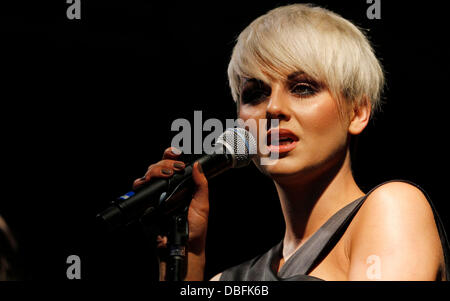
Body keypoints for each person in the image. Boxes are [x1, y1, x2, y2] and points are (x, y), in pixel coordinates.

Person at [133, 4, 449, 280]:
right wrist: (183, 255)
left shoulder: (393, 207)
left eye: (302, 88)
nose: (273, 108)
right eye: (255, 93)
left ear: (357, 112)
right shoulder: (228, 280)